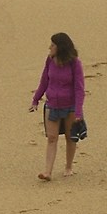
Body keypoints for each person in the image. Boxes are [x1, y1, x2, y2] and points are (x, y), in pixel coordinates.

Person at [31, 31, 85, 179]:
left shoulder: (75, 64)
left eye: (53, 45)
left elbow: (79, 89)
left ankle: (68, 166)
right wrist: (36, 99)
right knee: (52, 138)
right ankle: (47, 171)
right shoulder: (50, 60)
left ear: (60, 47)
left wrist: (79, 112)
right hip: (52, 105)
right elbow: (44, 81)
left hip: (70, 107)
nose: (50, 47)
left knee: (70, 137)